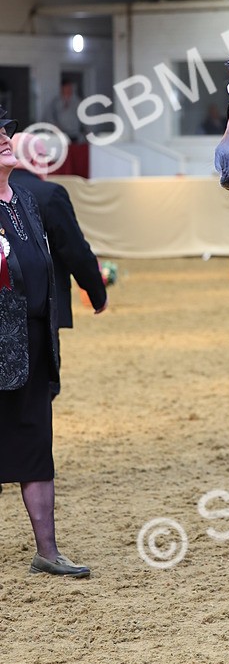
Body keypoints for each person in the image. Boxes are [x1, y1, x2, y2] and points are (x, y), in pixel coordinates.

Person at [0, 109, 90, 577]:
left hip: (32, 344)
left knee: (37, 448)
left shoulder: (25, 201)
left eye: (4, 131)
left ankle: (48, 552)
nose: (5, 138)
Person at [10, 134, 107, 327]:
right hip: (40, 306)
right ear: (35, 159)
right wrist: (97, 293)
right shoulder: (50, 194)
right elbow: (74, 250)